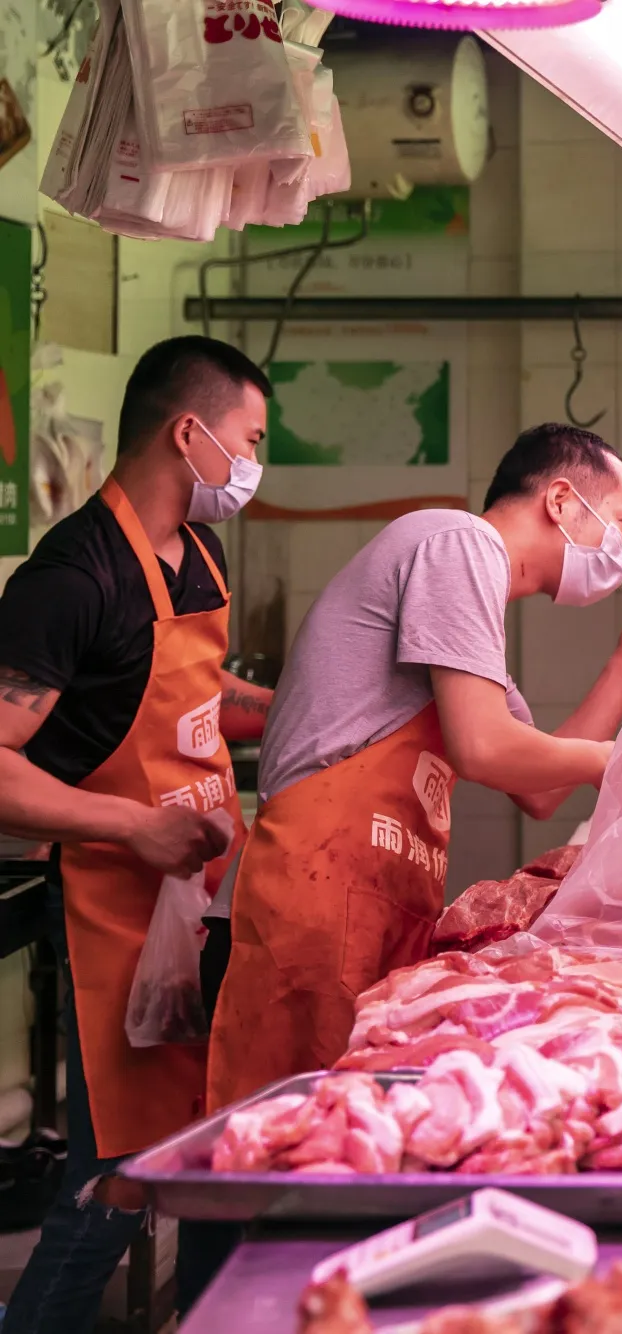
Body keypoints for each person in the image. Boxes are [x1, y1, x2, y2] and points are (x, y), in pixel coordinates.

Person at [207, 424, 622, 1114]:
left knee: (346, 1148)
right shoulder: (458, 543)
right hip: (306, 907)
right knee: (288, 1155)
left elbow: (541, 789)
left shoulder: (468, 602)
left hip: (363, 902)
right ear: (559, 500)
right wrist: (612, 761)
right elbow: (483, 747)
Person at [0, 337, 276, 1333]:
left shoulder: (197, 554)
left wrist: (299, 712)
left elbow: (201, 691)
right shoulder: (73, 576)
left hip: (198, 907)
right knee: (119, 1175)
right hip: (111, 908)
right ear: (189, 433)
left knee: (214, 1154)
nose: (254, 465)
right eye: (250, 440)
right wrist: (134, 825)